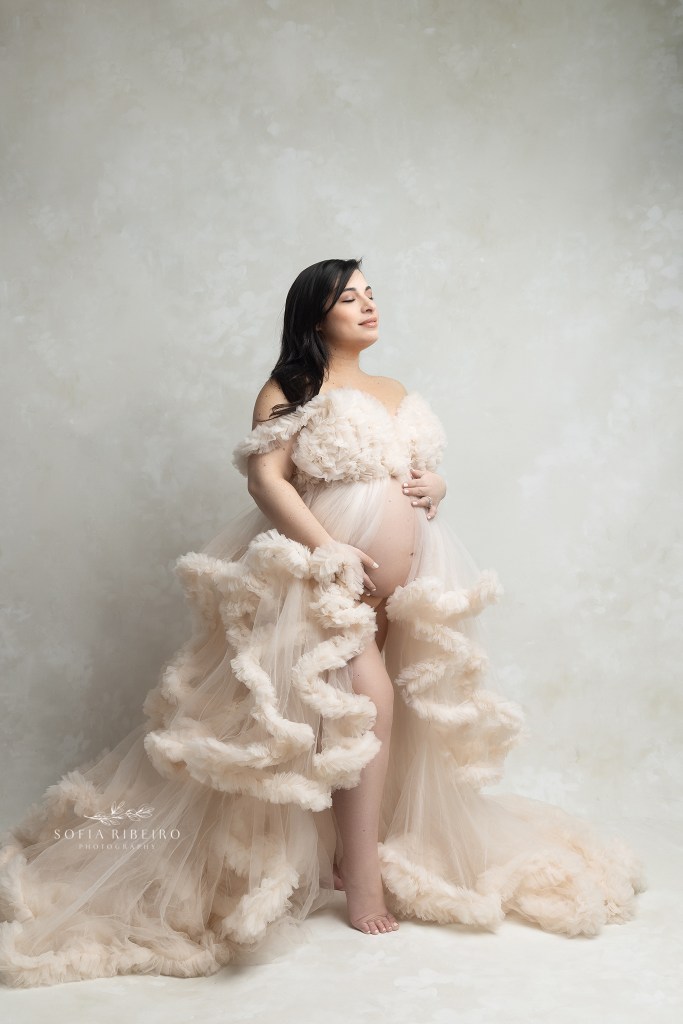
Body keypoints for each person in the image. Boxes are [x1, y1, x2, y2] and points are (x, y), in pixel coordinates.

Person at [0, 258, 646, 988]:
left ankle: (351, 850)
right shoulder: (292, 388)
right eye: (349, 297)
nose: (368, 306)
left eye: (372, 294)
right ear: (314, 314)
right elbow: (265, 478)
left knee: (389, 711)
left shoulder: (395, 391)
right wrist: (327, 547)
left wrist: (437, 483)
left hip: (406, 583)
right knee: (367, 705)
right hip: (320, 571)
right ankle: (360, 874)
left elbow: (415, 475)